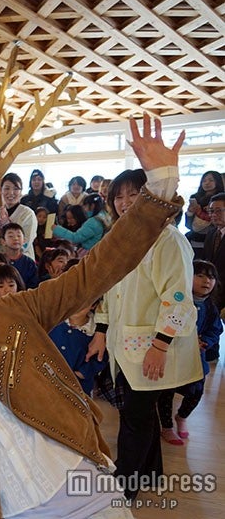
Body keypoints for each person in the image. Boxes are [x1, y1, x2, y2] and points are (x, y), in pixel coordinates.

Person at [0, 114, 185, 518]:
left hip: (81, 486)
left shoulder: (4, 314)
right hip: (6, 508)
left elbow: (94, 275)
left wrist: (159, 187)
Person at [87, 125, 200, 502]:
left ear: (150, 195)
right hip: (125, 342)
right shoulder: (119, 238)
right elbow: (108, 288)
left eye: (134, 193)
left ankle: (124, 487)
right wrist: (101, 328)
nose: (124, 202)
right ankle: (150, 473)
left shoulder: (168, 240)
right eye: (119, 196)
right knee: (142, 412)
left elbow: (179, 297)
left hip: (151, 345)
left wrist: (161, 344)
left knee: (134, 418)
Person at [157, 259, 221, 445]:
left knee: (197, 391)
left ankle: (182, 417)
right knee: (167, 392)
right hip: (172, 355)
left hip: (195, 358)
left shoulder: (210, 308)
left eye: (211, 277)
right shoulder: (177, 301)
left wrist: (206, 342)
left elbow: (215, 329)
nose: (206, 281)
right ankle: (166, 427)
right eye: (200, 276)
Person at [0, 173, 38, 260]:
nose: (11, 193)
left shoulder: (28, 214)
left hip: (23, 263)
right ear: (1, 190)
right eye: (6, 188)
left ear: (21, 191)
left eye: (16, 189)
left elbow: (25, 244)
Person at [201, 191, 225, 360]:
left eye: (218, 211)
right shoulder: (211, 233)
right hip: (213, 287)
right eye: (211, 211)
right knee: (211, 319)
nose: (214, 215)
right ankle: (211, 352)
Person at [185, 171, 224, 258]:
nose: (207, 183)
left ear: (217, 181)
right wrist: (190, 212)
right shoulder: (196, 197)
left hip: (213, 240)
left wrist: (203, 213)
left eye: (211, 180)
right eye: (204, 180)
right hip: (194, 239)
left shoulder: (221, 199)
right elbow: (188, 225)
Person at [0, 223, 39, 289]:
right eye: (11, 236)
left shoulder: (29, 263)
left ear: (24, 241)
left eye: (19, 235)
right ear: (3, 241)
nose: (16, 238)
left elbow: (34, 286)